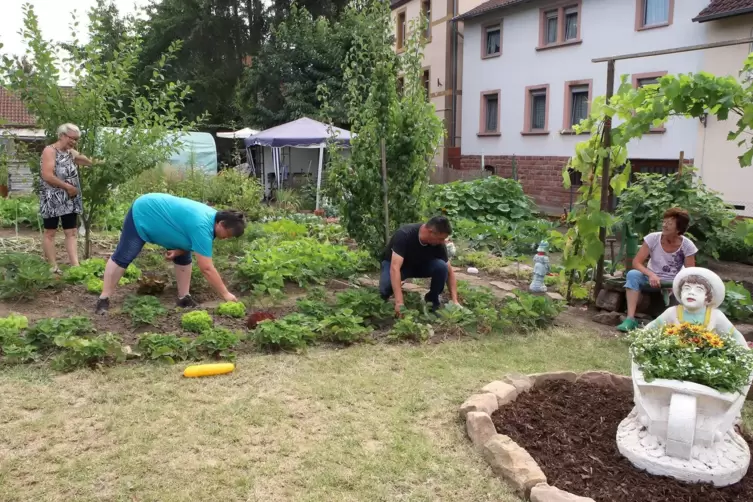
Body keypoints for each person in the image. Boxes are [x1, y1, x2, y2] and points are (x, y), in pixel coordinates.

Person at [95, 193, 245, 314]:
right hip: (144, 212)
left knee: (183, 257)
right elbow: (206, 268)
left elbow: (192, 242)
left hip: (163, 219)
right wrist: (225, 294)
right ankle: (103, 299)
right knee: (125, 255)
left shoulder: (213, 221)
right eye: (228, 234)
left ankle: (184, 298)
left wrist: (178, 250)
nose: (226, 238)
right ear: (221, 223)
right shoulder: (202, 225)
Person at [617, 207, 698, 333]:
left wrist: (676, 283)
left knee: (689, 285)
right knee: (633, 274)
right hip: (651, 279)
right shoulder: (653, 238)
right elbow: (636, 262)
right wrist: (651, 275)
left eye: (669, 223)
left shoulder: (687, 245)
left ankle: (681, 324)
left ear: (679, 228)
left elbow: (690, 273)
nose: (664, 225)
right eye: (664, 222)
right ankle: (630, 319)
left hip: (673, 282)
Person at [39, 123, 97, 272]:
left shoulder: (70, 152)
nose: (74, 142)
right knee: (50, 232)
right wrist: (68, 187)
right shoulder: (50, 151)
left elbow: (84, 160)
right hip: (52, 198)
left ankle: (75, 266)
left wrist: (101, 162)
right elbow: (47, 175)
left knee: (71, 232)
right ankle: (53, 267)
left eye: (76, 139)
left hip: (69, 199)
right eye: (72, 138)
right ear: (62, 135)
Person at [379, 216, 460, 315]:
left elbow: (450, 272)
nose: (443, 242)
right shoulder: (405, 234)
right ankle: (385, 300)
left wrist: (455, 301)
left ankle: (431, 301)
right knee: (385, 288)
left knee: (442, 267)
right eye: (441, 238)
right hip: (399, 267)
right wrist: (399, 302)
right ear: (431, 232)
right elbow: (394, 268)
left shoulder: (438, 243)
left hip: (420, 265)